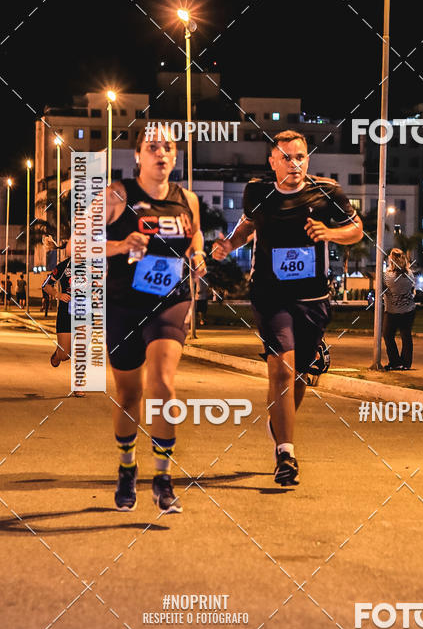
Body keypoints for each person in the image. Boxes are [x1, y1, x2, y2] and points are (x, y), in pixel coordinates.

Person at [212, 130, 363, 486]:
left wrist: (329, 233)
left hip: (314, 299)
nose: (294, 164)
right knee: (281, 370)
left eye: (300, 157)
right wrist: (229, 244)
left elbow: (356, 230)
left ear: (307, 159)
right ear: (273, 162)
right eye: (287, 158)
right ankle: (286, 454)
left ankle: (278, 422)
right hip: (269, 294)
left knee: (299, 377)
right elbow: (248, 225)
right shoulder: (258, 192)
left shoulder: (328, 192)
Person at [105, 129, 205, 512]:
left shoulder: (188, 199)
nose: (161, 153)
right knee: (130, 394)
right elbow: (79, 242)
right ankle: (127, 467)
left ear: (175, 158)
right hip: (124, 304)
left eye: (168, 148)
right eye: (152, 148)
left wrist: (197, 256)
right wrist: (120, 244)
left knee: (162, 382)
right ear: (138, 157)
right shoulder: (118, 195)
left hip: (170, 300)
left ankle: (163, 478)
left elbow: (194, 239)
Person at [42, 258, 85, 398]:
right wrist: (58, 295)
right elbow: (46, 285)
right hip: (66, 313)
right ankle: (58, 354)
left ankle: (79, 384)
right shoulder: (64, 265)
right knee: (65, 354)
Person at [382, 248, 416, 371]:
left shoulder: (387, 276)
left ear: (391, 260)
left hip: (392, 312)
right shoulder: (410, 274)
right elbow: (412, 289)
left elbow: (381, 290)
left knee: (388, 335)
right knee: (406, 336)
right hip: (408, 310)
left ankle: (395, 362)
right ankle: (406, 363)